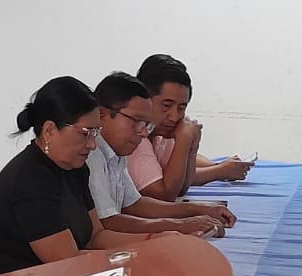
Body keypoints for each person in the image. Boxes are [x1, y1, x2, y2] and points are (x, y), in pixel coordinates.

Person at [0, 76, 137, 276]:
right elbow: (68, 261)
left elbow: (96, 236)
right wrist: (132, 258)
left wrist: (153, 240)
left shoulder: (76, 168)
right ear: (49, 131)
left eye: (95, 133)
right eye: (85, 133)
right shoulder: (29, 180)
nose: (92, 144)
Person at [87, 72, 237, 237]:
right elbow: (107, 222)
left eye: (146, 125)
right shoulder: (91, 153)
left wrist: (199, 209)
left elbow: (135, 204)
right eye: (135, 121)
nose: (143, 133)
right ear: (101, 114)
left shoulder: (117, 151)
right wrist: (179, 225)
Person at [126, 53, 254, 201]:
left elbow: (181, 187)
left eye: (181, 108)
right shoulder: (135, 137)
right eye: (166, 105)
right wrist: (184, 140)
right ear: (144, 99)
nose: (175, 117)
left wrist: (192, 148)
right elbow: (165, 195)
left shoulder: (161, 134)